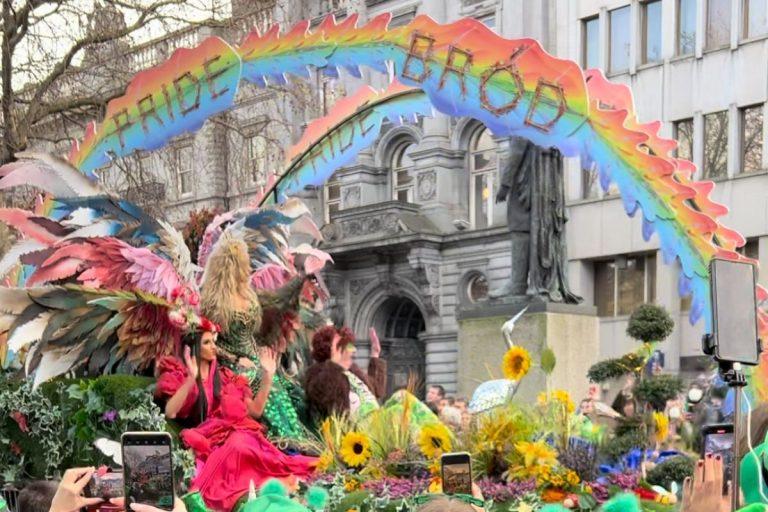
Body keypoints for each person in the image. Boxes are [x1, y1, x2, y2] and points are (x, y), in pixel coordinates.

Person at [155, 323, 316, 512]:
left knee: (244, 442)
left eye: (213, 341)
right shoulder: (179, 374)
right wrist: (192, 378)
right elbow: (171, 412)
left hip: (231, 430)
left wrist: (268, 377)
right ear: (193, 347)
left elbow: (255, 411)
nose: (214, 346)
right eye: (207, 342)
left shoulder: (224, 377)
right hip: (206, 438)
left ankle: (270, 487)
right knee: (238, 445)